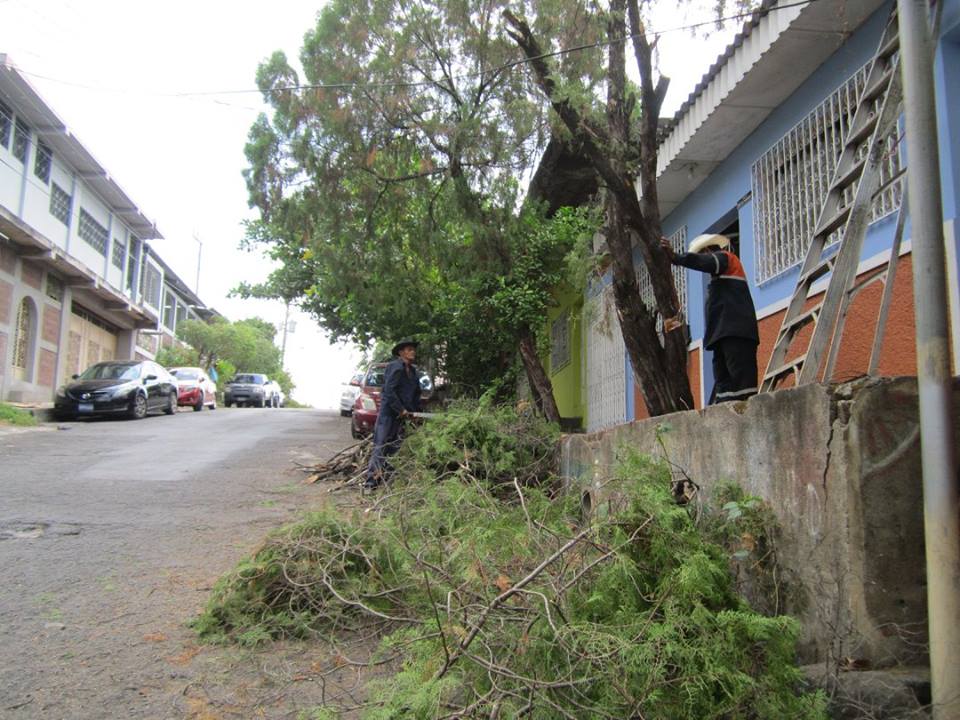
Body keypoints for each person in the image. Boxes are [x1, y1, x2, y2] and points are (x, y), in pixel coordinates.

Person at [661, 233, 759, 404]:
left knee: (742, 383)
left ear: (707, 251)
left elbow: (704, 262)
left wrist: (677, 258)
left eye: (701, 255)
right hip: (723, 335)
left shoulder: (728, 260)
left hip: (736, 333)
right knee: (724, 384)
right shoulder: (719, 282)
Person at [364, 339, 422, 493]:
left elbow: (416, 395)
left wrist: (415, 412)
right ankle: (370, 483)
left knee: (395, 448)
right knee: (380, 446)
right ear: (401, 352)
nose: (413, 352)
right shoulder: (395, 367)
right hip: (388, 415)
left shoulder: (414, 372)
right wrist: (400, 409)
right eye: (409, 349)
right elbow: (389, 392)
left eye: (413, 350)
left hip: (403, 417)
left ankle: (386, 481)